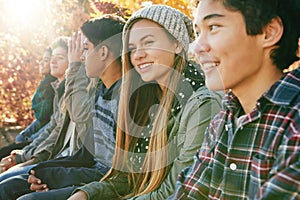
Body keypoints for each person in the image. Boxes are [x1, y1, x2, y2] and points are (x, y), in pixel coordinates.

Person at [69, 5, 222, 200]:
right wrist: (86, 194)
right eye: (132, 49)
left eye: (148, 42)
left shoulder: (202, 105)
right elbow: (131, 179)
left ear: (177, 44)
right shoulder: (149, 101)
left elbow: (176, 190)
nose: (138, 55)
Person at [171, 0, 300, 199]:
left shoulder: (294, 125)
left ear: (269, 32)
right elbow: (188, 193)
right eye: (198, 33)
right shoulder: (224, 120)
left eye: (213, 27)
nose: (196, 48)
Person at [0, 15, 126, 200]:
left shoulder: (119, 94)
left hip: (100, 181)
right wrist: (42, 169)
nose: (81, 57)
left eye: (84, 49)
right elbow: (56, 129)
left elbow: (78, 117)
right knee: (9, 185)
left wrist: (46, 170)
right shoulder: (103, 91)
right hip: (84, 168)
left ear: (104, 52)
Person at [0, 37, 69, 181]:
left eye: (59, 58)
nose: (52, 62)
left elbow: (45, 120)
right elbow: (49, 124)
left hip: (53, 158)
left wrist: (27, 157)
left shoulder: (68, 91)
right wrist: (23, 152)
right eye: (52, 58)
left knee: (5, 179)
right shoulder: (56, 87)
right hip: (39, 147)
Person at [0, 48, 56, 159]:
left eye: (46, 60)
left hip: (43, 140)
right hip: (36, 136)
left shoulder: (54, 87)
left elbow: (50, 122)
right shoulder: (44, 84)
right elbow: (39, 120)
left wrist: (30, 139)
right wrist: (24, 134)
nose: (41, 63)